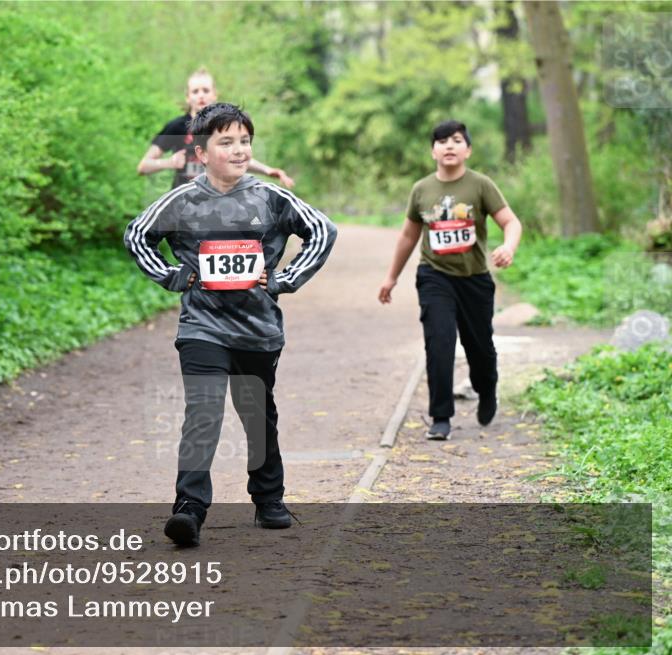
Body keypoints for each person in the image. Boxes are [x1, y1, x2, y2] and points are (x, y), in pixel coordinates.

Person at [125, 103, 336, 546]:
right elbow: (137, 234)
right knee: (203, 413)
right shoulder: (182, 201)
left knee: (257, 415)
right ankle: (190, 508)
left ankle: (269, 499)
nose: (239, 150)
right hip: (202, 326)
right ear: (201, 153)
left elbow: (322, 230)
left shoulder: (270, 198)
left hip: (258, 330)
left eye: (244, 141)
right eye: (227, 142)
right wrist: (171, 275)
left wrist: (284, 279)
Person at [378, 120, 523, 440]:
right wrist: (391, 277)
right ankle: (440, 416)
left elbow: (510, 222)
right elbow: (408, 236)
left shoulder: (481, 185)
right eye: (442, 141)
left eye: (456, 140)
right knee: (439, 343)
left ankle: (487, 390)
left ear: (467, 149)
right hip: (435, 276)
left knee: (479, 347)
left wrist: (508, 247)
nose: (449, 146)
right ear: (433, 151)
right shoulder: (421, 190)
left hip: (475, 279)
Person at [136, 67, 295, 191]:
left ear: (215, 95)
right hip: (184, 203)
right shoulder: (176, 127)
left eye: (205, 90)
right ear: (187, 97)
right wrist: (169, 162)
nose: (200, 95)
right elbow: (144, 166)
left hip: (218, 201)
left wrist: (268, 170)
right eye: (195, 91)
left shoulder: (224, 127)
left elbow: (236, 155)